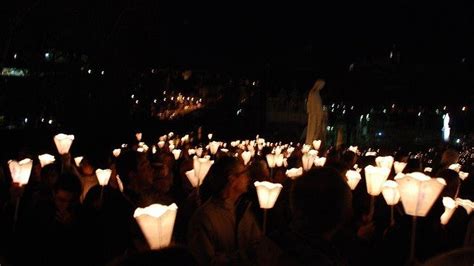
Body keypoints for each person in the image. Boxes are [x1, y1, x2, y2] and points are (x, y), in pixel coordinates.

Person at [187, 156, 278, 265]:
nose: (248, 177)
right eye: (244, 173)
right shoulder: (204, 217)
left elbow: (257, 244)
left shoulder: (244, 211)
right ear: (232, 179)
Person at [305, 79, 326, 145]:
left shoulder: (317, 93)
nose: (322, 87)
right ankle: (310, 142)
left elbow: (319, 105)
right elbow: (310, 104)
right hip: (314, 115)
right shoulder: (313, 93)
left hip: (317, 114)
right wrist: (311, 112)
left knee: (316, 130)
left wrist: (322, 112)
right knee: (312, 129)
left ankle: (313, 142)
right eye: (322, 85)